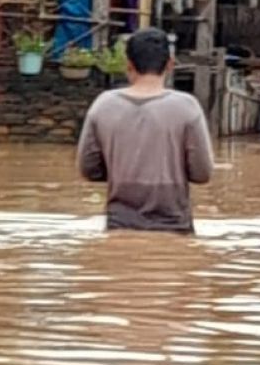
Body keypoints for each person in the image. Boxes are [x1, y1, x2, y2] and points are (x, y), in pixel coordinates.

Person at [77, 28, 213, 233]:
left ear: (128, 64)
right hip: (174, 227)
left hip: (119, 225)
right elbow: (202, 173)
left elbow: (88, 169)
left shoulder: (103, 105)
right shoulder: (187, 107)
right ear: (170, 64)